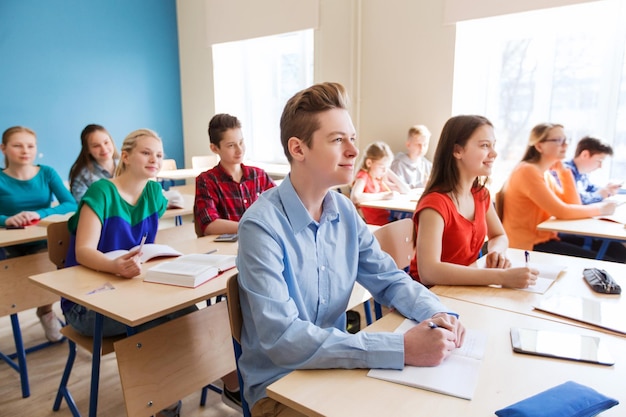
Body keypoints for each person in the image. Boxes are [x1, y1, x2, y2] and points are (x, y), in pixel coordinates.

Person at [236, 82, 465, 416]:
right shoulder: (261, 226)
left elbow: (389, 279)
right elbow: (283, 339)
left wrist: (437, 313)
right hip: (280, 388)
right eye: (337, 140)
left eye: (352, 138)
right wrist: (400, 347)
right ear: (298, 149)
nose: (354, 152)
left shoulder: (343, 211)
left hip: (338, 367)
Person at [62, 129, 196, 417]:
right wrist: (114, 265)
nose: (155, 160)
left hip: (129, 291)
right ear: (125, 156)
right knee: (155, 318)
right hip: (87, 303)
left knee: (189, 310)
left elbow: (143, 245)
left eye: (159, 155)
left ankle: (207, 382)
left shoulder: (153, 193)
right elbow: (84, 251)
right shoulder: (102, 192)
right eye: (146, 153)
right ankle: (163, 402)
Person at [411, 115, 538, 288]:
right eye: (485, 145)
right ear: (457, 151)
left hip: (464, 290)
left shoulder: (480, 195)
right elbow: (429, 273)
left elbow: (499, 236)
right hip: (430, 297)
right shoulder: (435, 205)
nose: (494, 153)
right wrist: (500, 277)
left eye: (493, 145)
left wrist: (496, 252)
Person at [501, 123, 625, 261]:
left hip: (546, 238)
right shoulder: (527, 171)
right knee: (611, 260)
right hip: (528, 245)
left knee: (616, 249)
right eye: (559, 140)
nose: (565, 145)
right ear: (539, 146)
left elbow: (574, 204)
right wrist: (600, 209)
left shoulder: (545, 173)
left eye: (567, 140)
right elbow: (562, 211)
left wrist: (564, 172)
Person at [0, 126, 77, 342]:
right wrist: (6, 219)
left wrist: (39, 213)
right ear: (3, 149)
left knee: (52, 266)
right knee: (11, 279)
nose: (25, 150)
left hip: (42, 240)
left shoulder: (47, 173)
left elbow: (71, 204)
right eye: (17, 145)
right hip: (8, 244)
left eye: (30, 146)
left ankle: (46, 311)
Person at [194, 113, 276, 236]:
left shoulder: (258, 175)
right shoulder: (206, 181)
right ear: (214, 148)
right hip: (227, 249)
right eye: (231, 145)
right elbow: (209, 225)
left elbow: (280, 208)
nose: (239, 150)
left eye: (241, 142)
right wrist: (252, 227)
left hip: (261, 242)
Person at [350, 141, 409, 225]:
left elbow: (405, 190)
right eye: (382, 167)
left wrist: (387, 169)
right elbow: (355, 197)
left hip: (387, 221)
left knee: (409, 222)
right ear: (369, 163)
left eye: (387, 167)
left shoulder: (378, 179)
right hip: (376, 224)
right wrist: (384, 196)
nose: (384, 171)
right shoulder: (364, 176)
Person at [562, 136, 620, 204]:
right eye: (599, 161)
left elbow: (589, 188)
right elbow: (576, 199)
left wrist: (607, 190)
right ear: (585, 155)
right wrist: (600, 195)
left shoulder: (582, 173)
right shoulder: (564, 170)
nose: (600, 166)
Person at [68, 124, 119, 202]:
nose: (103, 149)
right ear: (87, 149)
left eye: (106, 142)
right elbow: (83, 205)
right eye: (96, 146)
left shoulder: (129, 165)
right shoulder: (83, 175)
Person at [391, 124, 433, 188]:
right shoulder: (398, 164)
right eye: (418, 144)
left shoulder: (427, 165)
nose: (422, 148)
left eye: (425, 144)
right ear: (408, 145)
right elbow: (398, 188)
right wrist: (421, 184)